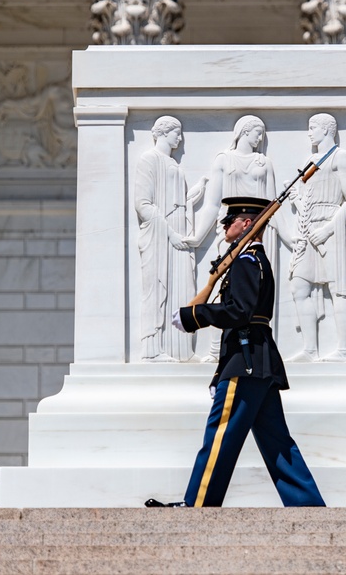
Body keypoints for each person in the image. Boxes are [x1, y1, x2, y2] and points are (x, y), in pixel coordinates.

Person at [159, 196, 326, 507]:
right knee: (277, 444)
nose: (224, 224)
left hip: (246, 361)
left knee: (220, 435)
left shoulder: (246, 262)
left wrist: (194, 316)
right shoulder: (252, 261)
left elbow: (239, 312)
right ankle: (308, 507)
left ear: (247, 224)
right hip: (258, 361)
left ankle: (198, 504)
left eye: (230, 220)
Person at [189, 115, 280, 363]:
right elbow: (211, 203)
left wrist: (291, 238)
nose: (260, 138)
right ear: (243, 131)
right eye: (256, 132)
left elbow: (273, 206)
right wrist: (198, 236)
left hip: (258, 233)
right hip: (231, 234)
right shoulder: (224, 160)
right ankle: (216, 351)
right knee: (223, 290)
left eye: (262, 133)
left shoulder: (264, 162)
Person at [286, 113, 346, 362]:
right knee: (299, 287)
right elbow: (309, 199)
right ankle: (310, 349)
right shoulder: (311, 159)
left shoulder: (342, 157)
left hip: (329, 228)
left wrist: (328, 229)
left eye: (312, 127)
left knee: (337, 290)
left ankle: (343, 350)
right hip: (308, 228)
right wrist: (295, 198)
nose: (309, 133)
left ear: (327, 130)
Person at [133, 115, 204, 362]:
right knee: (156, 290)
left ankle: (184, 350)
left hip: (177, 234)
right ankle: (153, 350)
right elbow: (143, 205)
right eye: (177, 132)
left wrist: (191, 199)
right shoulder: (149, 159)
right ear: (163, 133)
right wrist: (169, 233)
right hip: (159, 236)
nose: (181, 138)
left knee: (185, 286)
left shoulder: (173, 164)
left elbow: (176, 203)